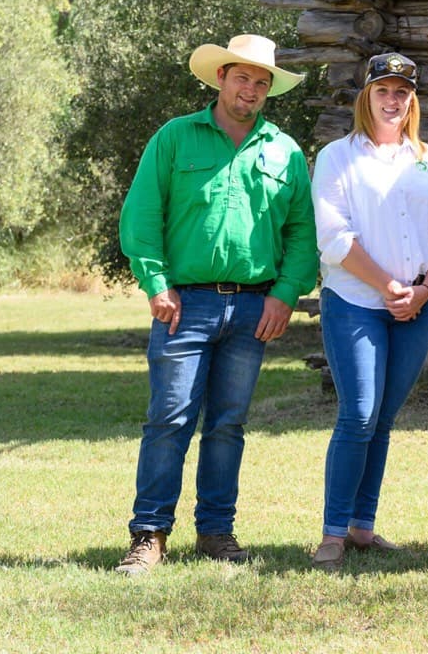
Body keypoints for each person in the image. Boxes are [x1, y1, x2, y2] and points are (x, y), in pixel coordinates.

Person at [114, 34, 319, 575]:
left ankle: (216, 532)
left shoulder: (285, 151)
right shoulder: (175, 138)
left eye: (261, 82)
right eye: (242, 77)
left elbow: (302, 233)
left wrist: (284, 294)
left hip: (254, 309)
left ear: (268, 91)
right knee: (169, 418)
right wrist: (155, 283)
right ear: (221, 78)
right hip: (185, 306)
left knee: (228, 423)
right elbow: (141, 216)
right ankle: (149, 534)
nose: (250, 89)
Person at [308, 52, 428, 570]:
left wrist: (422, 289)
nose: (392, 100)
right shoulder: (337, 157)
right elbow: (334, 237)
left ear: (411, 99)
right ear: (366, 96)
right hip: (355, 302)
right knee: (358, 413)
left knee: (384, 417)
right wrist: (390, 285)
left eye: (402, 92)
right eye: (383, 91)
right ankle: (331, 531)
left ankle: (362, 527)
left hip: (417, 306)